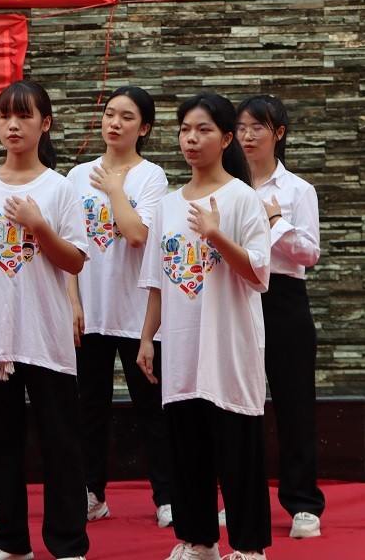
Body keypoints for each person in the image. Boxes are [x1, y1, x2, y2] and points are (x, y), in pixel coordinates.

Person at [0, 79, 90, 560]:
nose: (13, 125)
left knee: (60, 443)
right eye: (5, 116)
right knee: (0, 442)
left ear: (44, 124)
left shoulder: (60, 188)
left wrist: (39, 225)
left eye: (24, 116)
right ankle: (10, 541)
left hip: (44, 333)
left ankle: (68, 543)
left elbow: (74, 261)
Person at [136, 93, 272, 560]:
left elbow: (258, 273)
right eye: (185, 130)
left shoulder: (243, 199)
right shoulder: (168, 205)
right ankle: (198, 542)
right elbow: (157, 280)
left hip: (230, 346)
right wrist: (147, 338)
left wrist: (216, 234)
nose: (191, 139)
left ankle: (249, 548)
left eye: (203, 130)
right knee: (187, 447)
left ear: (226, 138)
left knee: (238, 448)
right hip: (181, 346)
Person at [65, 86, 172, 527]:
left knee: (153, 408)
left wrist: (114, 189)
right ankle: (92, 493)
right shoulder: (76, 176)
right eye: (110, 114)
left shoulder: (152, 177)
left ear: (144, 128)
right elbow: (69, 246)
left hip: (137, 314)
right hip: (89, 310)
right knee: (89, 408)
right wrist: (72, 302)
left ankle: (167, 497)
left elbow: (137, 234)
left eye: (127, 117)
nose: (115, 123)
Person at [236, 94, 324, 538]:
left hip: (284, 297)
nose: (247, 136)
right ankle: (241, 500)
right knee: (237, 403)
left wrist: (275, 222)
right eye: (240, 128)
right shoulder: (228, 185)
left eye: (258, 127)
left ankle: (303, 503)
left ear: (279, 134)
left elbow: (309, 253)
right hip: (237, 296)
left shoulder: (297, 190)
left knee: (294, 403)